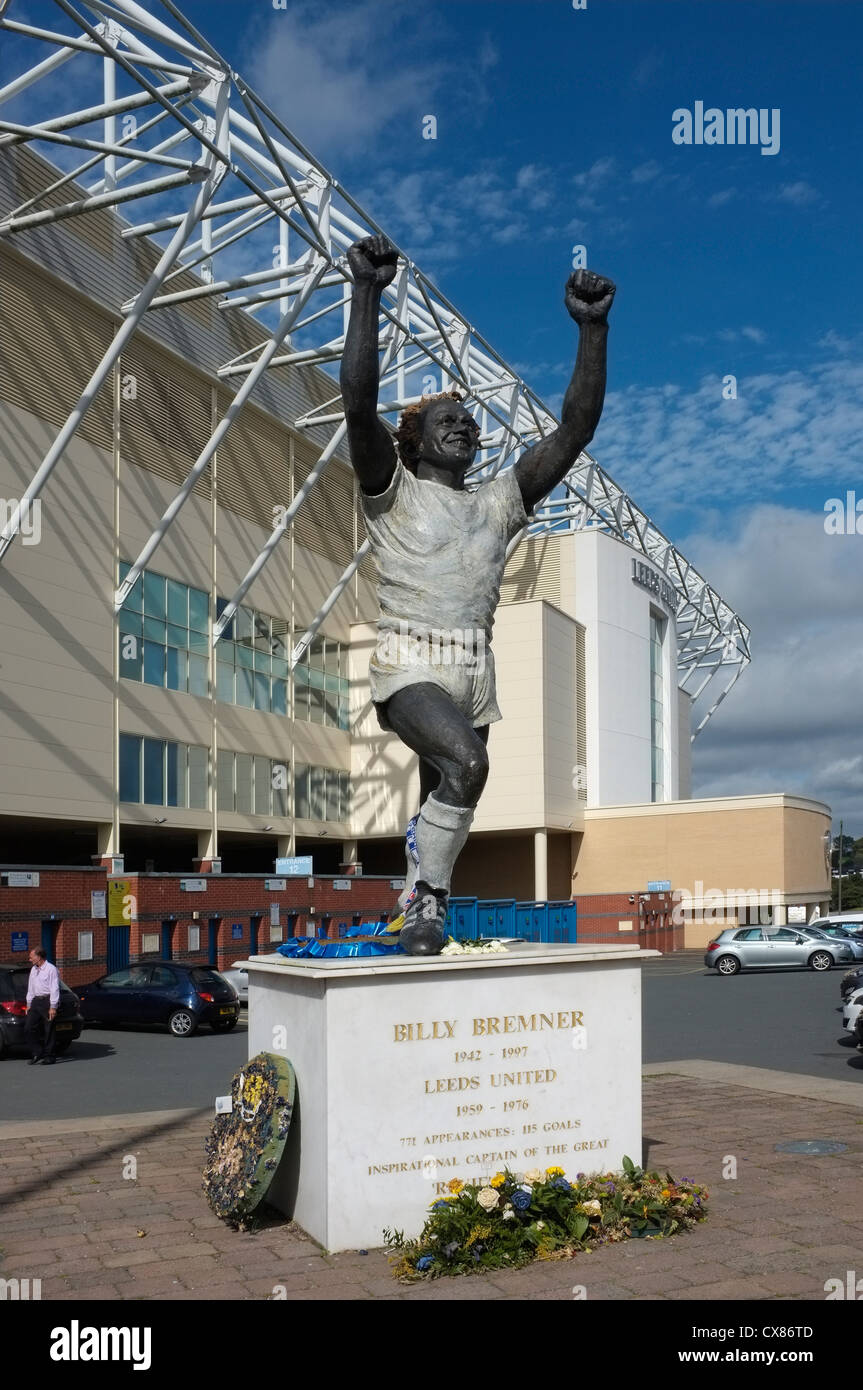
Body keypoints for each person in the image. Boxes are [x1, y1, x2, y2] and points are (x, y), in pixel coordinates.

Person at [341, 235, 615, 955]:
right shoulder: (388, 491)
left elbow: (575, 429)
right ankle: (429, 898)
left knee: (450, 789)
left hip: (475, 670)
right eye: (446, 422)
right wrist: (366, 293)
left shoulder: (500, 500)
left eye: (469, 421)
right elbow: (357, 400)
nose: (464, 426)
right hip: (411, 661)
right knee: (468, 765)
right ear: (416, 442)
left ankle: (415, 894)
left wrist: (591, 331)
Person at [25, 946, 60, 1064]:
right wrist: (29, 1004)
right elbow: (31, 988)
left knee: (49, 1029)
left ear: (39, 956)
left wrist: (53, 1006)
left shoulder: (51, 969)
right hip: (36, 1001)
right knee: (28, 1028)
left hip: (47, 1001)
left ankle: (49, 1056)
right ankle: (37, 1052)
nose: (30, 959)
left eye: (31, 957)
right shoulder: (33, 970)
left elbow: (54, 988)